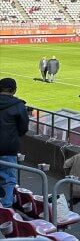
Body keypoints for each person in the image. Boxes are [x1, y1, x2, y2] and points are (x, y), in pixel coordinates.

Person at [0, 78, 28, 208]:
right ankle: (5, 211)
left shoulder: (18, 105)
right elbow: (23, 128)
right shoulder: (18, 105)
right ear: (14, 90)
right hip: (8, 148)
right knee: (8, 179)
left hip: (8, 148)